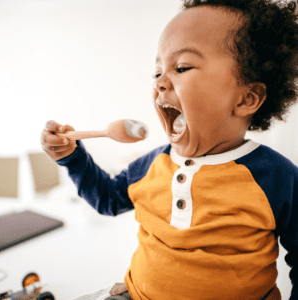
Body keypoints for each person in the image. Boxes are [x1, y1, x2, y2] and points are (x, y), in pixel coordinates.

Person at [41, 0, 298, 299]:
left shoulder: (276, 177)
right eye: (157, 72)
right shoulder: (153, 164)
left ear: (246, 98)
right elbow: (108, 199)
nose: (160, 83)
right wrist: (72, 158)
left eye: (182, 67)